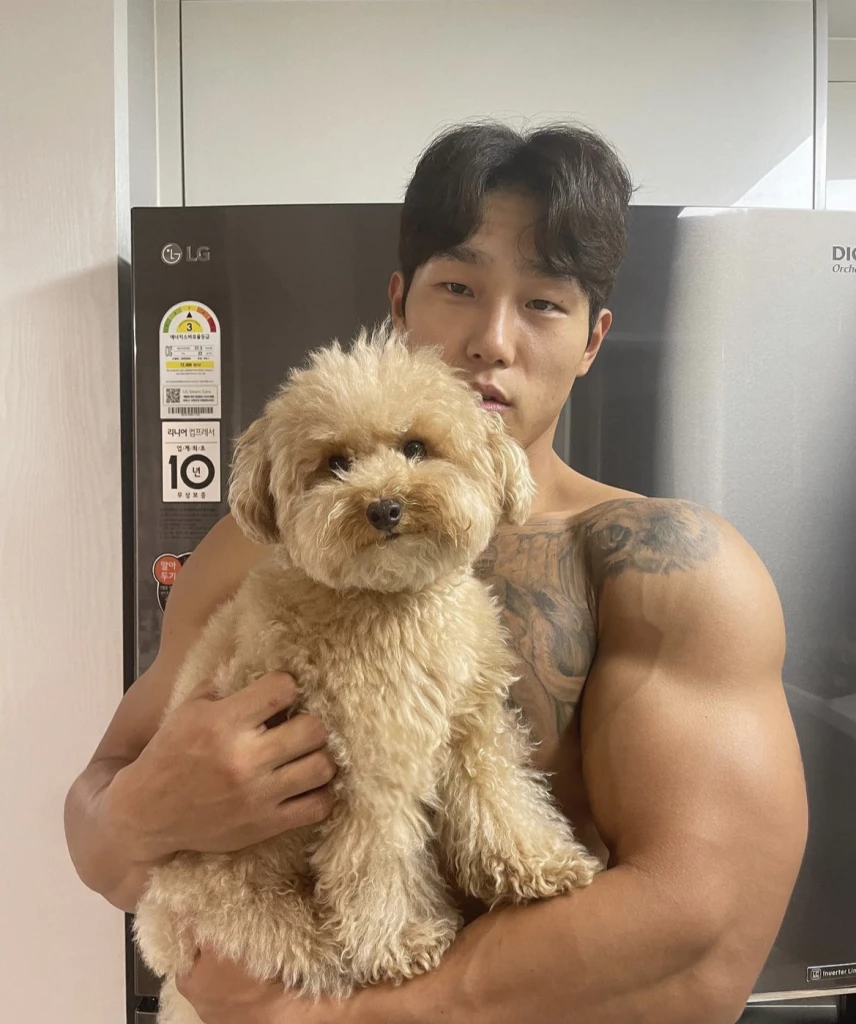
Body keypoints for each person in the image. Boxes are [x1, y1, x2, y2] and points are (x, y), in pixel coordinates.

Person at [64, 121, 807, 1024]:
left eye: (544, 302)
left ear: (593, 340)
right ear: (399, 305)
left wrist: (323, 1017)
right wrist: (147, 812)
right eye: (459, 287)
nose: (492, 340)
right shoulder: (258, 546)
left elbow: (703, 940)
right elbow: (98, 840)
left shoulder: (669, 568)